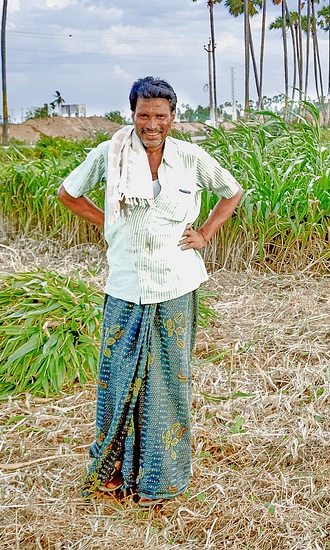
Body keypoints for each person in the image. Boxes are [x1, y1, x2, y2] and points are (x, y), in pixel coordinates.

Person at [58, 75, 243, 504]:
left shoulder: (191, 158)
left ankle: (161, 480)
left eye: (161, 116)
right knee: (116, 380)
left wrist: (206, 233)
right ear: (133, 115)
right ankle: (110, 476)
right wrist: (108, 222)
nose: (152, 124)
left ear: (174, 118)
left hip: (175, 284)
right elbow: (68, 194)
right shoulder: (111, 154)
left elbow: (231, 193)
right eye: (144, 115)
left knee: (168, 383)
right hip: (125, 285)